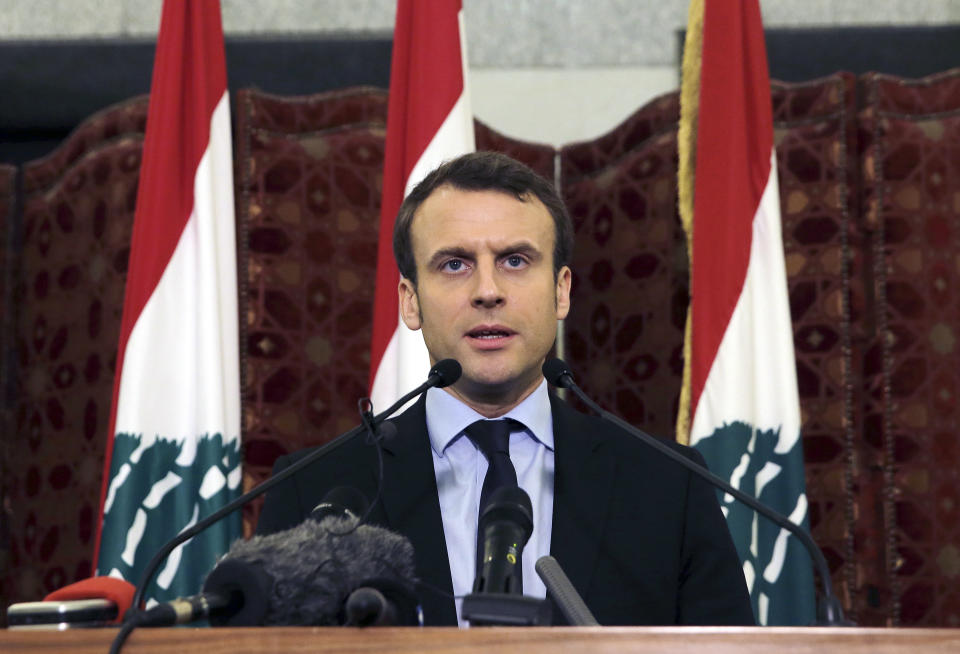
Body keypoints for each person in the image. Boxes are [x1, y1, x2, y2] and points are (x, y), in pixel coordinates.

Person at [256, 151, 754, 626]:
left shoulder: (670, 486)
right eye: (455, 264)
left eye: (515, 261)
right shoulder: (311, 492)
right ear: (410, 301)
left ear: (561, 291)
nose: (488, 291)